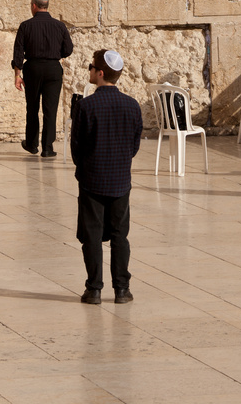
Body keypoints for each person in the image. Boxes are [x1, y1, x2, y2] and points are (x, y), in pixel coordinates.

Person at [70, 49, 143, 305]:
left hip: (92, 181)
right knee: (119, 236)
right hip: (120, 181)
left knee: (91, 236)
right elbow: (134, 145)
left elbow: (76, 147)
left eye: (91, 67)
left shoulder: (86, 106)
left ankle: (94, 289)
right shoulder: (132, 105)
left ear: (100, 73)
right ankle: (122, 290)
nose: (89, 70)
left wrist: (87, 167)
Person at [12, 0, 73, 158]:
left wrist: (18, 75)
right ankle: (47, 147)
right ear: (47, 6)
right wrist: (54, 54)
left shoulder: (26, 26)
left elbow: (18, 53)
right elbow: (68, 49)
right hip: (53, 69)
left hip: (32, 68)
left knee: (32, 107)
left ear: (33, 5)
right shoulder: (59, 26)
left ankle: (32, 144)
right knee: (50, 109)